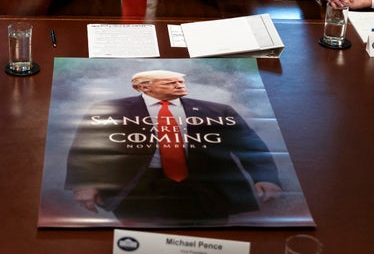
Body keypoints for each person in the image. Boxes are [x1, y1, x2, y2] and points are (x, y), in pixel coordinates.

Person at [64, 70, 282, 226]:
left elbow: (248, 144)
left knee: (206, 239)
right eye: (169, 83)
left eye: (179, 82)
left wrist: (266, 178)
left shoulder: (218, 110)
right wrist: (85, 184)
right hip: (137, 186)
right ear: (143, 87)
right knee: (143, 241)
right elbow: (86, 147)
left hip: (206, 187)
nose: (179, 86)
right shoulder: (109, 109)